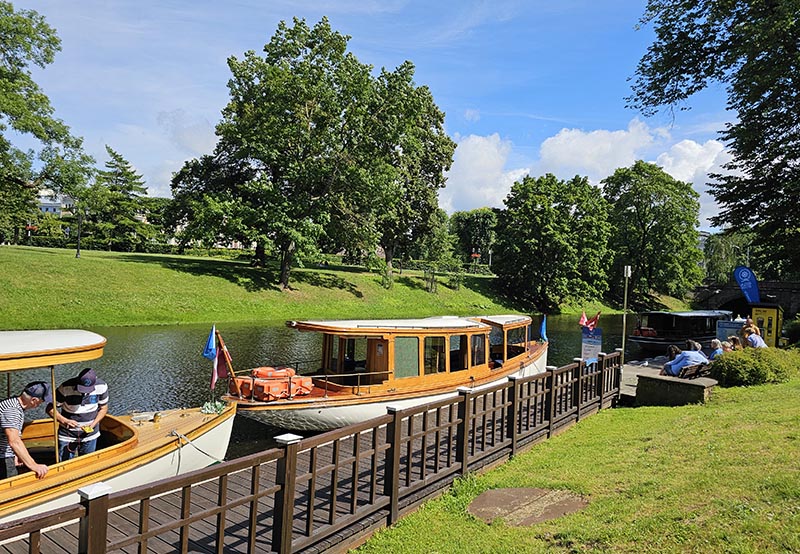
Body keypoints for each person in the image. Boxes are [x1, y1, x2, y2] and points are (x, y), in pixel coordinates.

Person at [46, 368, 109, 461]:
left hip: (90, 435)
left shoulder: (102, 386)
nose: (84, 392)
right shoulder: (65, 387)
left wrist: (93, 424)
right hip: (67, 435)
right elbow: (50, 408)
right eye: (82, 389)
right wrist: (65, 420)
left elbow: (103, 408)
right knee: (64, 464)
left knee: (87, 463)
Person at [0, 382, 50, 479]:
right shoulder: (12, 410)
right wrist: (33, 465)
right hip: (2, 458)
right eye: (41, 401)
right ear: (34, 400)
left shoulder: (14, 403)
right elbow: (14, 441)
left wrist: (17, 454)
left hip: (6, 453)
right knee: (11, 488)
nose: (41, 404)